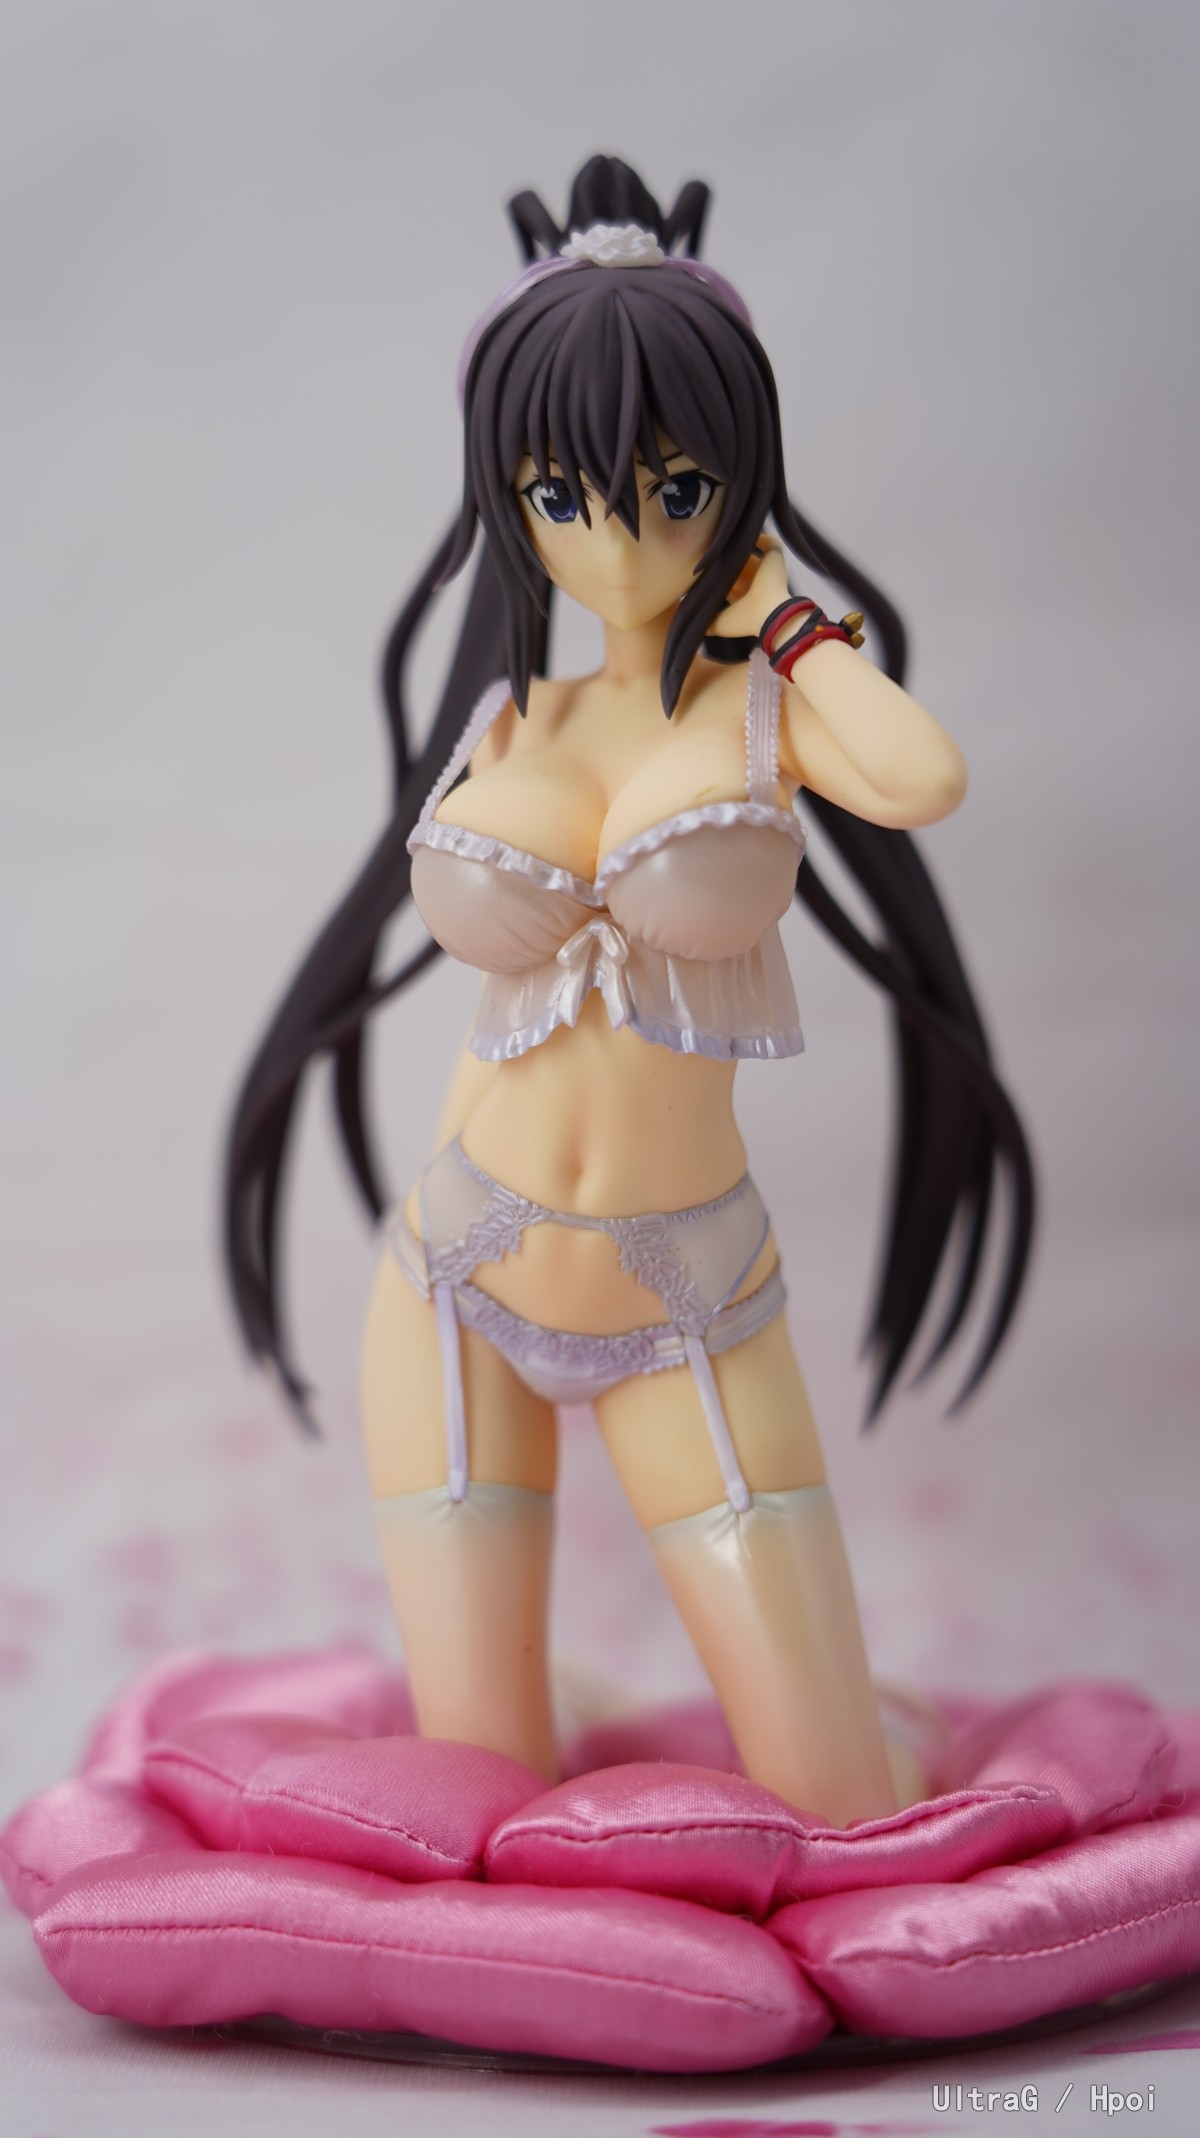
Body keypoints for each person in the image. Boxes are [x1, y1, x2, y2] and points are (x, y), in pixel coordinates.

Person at [224, 157, 1034, 1828]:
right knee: (476, 1785)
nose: (617, 543)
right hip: (455, 1270)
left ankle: (821, 1730)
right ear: (509, 499)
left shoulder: (770, 703)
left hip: (687, 1291)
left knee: (840, 1795)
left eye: (674, 488)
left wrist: (789, 623)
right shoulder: (511, 713)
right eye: (562, 495)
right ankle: (558, 1720)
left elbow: (922, 776)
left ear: (740, 479)